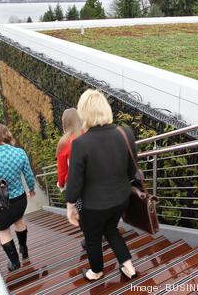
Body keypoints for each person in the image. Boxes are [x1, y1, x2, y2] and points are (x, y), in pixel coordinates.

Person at [66, 89, 137, 281]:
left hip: (93, 206)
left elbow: (74, 183)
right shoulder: (125, 133)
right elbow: (132, 171)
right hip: (122, 198)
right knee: (111, 229)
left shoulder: (81, 143)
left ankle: (96, 272)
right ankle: (128, 266)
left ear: (84, 113)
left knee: (93, 239)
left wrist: (70, 206)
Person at [0, 123, 36, 271]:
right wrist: (32, 189)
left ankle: (15, 262)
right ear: (8, 136)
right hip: (19, 200)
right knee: (19, 221)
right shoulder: (19, 153)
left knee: (3, 231)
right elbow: (28, 175)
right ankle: (24, 249)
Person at [55, 108, 83, 190]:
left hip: (76, 183)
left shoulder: (64, 142)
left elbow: (62, 170)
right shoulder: (88, 133)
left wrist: (61, 184)